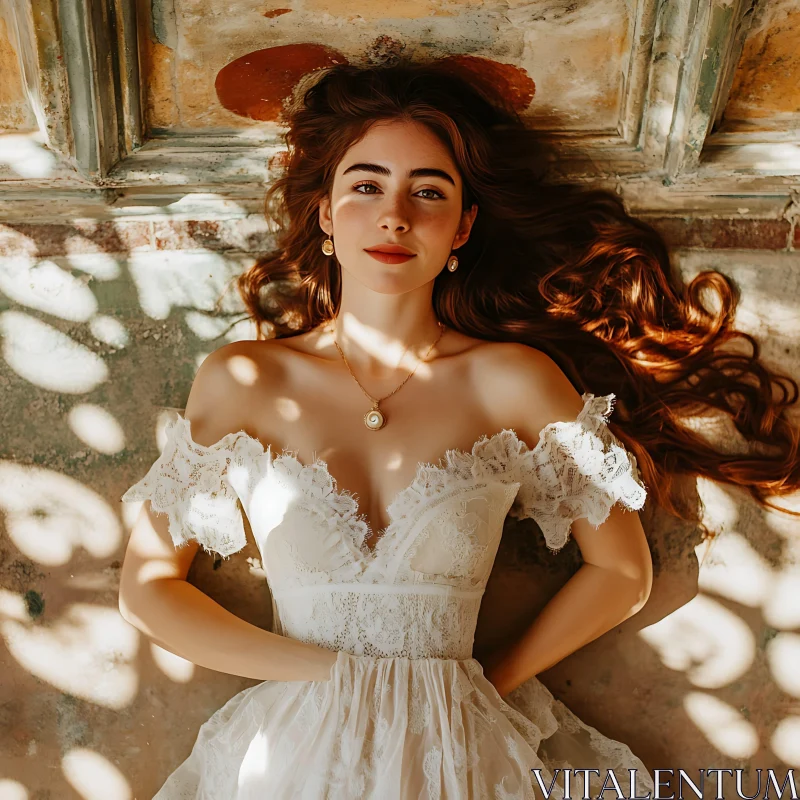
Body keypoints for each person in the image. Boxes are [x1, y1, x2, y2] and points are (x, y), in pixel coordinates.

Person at [118, 62, 800, 799]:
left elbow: (622, 572)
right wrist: (332, 675)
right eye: (367, 185)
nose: (395, 215)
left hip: (462, 745)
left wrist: (485, 683)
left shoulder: (512, 379)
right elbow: (149, 585)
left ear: (462, 227)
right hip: (289, 751)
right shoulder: (245, 380)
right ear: (325, 212)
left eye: (429, 192)